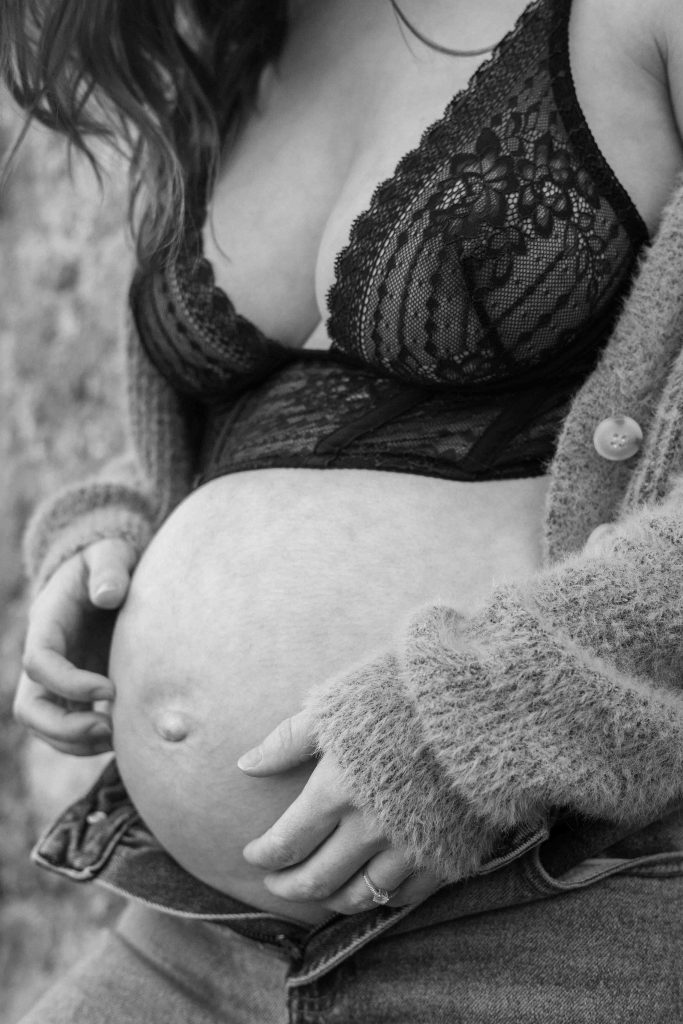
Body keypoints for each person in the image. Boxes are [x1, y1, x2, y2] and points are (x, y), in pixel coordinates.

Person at [4, 0, 683, 1019]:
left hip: (534, 928)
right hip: (189, 936)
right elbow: (280, 424)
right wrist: (110, 542)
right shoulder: (237, 42)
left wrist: (476, 719)